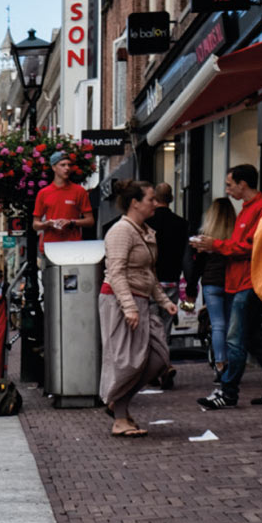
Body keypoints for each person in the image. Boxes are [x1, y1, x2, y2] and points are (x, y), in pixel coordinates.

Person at [191, 164, 262, 410]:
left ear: (242, 184)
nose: (228, 190)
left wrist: (215, 245)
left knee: (235, 338)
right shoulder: (251, 209)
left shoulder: (259, 210)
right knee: (253, 339)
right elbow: (244, 246)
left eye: (230, 184)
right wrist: (217, 246)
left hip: (247, 283)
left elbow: (249, 248)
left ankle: (228, 392)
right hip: (242, 282)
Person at [98, 180, 176, 438]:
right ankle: (119, 416)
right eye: (151, 199)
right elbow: (116, 272)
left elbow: (147, 274)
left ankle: (117, 404)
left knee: (158, 358)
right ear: (135, 203)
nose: (155, 204)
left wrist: (164, 301)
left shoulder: (143, 231)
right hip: (121, 302)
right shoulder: (121, 232)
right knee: (127, 363)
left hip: (139, 300)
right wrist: (129, 307)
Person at [183, 198, 235, 382]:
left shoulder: (205, 236)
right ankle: (231, 364)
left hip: (211, 283)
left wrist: (191, 290)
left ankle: (220, 364)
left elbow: (197, 266)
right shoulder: (234, 234)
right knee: (229, 325)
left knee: (218, 325)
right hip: (231, 282)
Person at [147, 183, 189, 374]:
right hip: (171, 279)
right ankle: (163, 364)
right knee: (165, 326)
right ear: (171, 199)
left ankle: (156, 368)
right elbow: (185, 256)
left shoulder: (147, 223)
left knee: (150, 324)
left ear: (155, 199)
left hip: (150, 280)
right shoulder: (181, 223)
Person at [32, 151, 94, 259]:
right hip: (50, 247)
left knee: (73, 275)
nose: (67, 168)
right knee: (52, 276)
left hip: (73, 246)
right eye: (63, 165)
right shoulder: (43, 193)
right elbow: (35, 224)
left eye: (69, 165)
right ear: (54, 168)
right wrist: (47, 224)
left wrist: (71, 222)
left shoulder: (79, 191)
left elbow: (90, 221)